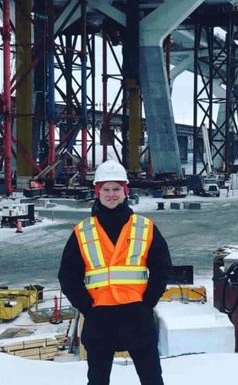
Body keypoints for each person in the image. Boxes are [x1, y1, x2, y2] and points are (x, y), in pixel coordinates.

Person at [58, 160, 172, 385]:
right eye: (106, 189)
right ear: (97, 192)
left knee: (152, 379)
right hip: (99, 319)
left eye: (117, 189)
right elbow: (68, 275)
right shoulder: (82, 231)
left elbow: (162, 267)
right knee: (98, 381)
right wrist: (86, 306)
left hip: (137, 316)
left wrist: (148, 301)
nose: (111, 194)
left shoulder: (144, 227)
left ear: (126, 191)